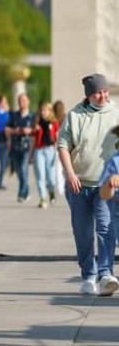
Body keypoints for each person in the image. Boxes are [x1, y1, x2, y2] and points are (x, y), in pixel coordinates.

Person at [57, 73, 119, 296]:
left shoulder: (115, 114)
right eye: (97, 93)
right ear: (89, 95)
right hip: (79, 184)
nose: (102, 96)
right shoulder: (75, 115)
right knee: (83, 233)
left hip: (105, 185)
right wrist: (70, 173)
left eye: (104, 91)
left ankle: (105, 274)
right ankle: (88, 275)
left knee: (105, 228)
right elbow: (63, 145)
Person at [7, 94, 35, 203]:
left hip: (27, 147)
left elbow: (36, 130)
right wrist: (16, 131)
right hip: (15, 147)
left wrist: (29, 131)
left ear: (28, 101)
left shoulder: (32, 116)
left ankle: (21, 194)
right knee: (19, 171)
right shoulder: (14, 115)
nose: (21, 102)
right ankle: (26, 191)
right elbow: (7, 129)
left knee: (24, 169)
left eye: (23, 100)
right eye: (19, 100)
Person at [31, 101, 59, 209]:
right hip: (39, 150)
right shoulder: (37, 124)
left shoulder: (55, 123)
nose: (43, 112)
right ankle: (42, 198)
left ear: (50, 111)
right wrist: (31, 155)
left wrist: (59, 152)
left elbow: (58, 138)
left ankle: (51, 191)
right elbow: (33, 140)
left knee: (51, 177)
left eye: (45, 110)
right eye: (41, 110)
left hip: (50, 150)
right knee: (40, 175)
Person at [53, 100, 67, 196]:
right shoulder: (65, 118)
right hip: (63, 145)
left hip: (55, 145)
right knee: (63, 167)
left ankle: (60, 187)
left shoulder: (53, 119)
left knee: (57, 167)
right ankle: (62, 187)